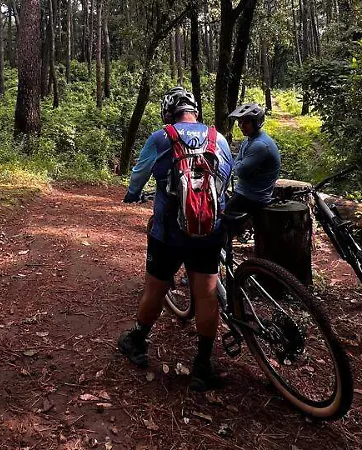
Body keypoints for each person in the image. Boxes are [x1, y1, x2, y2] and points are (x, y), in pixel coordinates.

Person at [118, 87, 234, 391]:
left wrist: (132, 195)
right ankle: (202, 365)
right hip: (209, 231)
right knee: (208, 295)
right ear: (195, 111)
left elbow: (139, 174)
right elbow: (225, 180)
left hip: (168, 232)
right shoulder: (218, 138)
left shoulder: (161, 137)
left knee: (155, 288)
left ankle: (138, 342)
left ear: (169, 113)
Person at [224, 103, 280, 218]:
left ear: (257, 123)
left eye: (246, 122)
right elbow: (238, 163)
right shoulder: (250, 139)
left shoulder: (260, 145)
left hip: (254, 197)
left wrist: (238, 164)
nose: (241, 126)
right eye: (240, 122)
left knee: (223, 218)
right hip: (248, 192)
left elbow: (239, 171)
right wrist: (239, 163)